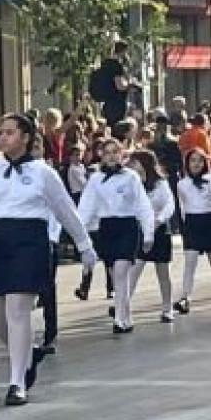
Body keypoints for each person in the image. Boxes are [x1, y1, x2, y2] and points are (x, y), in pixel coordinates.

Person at [0, 113, 96, 406]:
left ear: (25, 137)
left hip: (28, 240)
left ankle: (16, 381)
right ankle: (28, 353)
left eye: (10, 132)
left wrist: (84, 245)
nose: (3, 137)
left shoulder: (43, 173)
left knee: (17, 311)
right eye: (2, 132)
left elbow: (64, 209)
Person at [77, 138, 155, 333]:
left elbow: (143, 205)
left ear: (121, 154)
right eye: (107, 152)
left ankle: (119, 318)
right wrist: (79, 231)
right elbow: (87, 205)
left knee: (121, 271)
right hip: (107, 228)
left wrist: (148, 233)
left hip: (127, 226)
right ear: (102, 156)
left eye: (115, 152)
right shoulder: (95, 179)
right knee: (115, 276)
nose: (111, 156)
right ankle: (126, 315)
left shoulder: (131, 177)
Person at [128, 149, 177, 323]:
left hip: (160, 231)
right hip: (140, 231)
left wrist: (158, 220)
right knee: (134, 270)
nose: (131, 166)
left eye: (135, 162)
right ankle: (123, 307)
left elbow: (169, 204)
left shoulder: (160, 183)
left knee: (163, 272)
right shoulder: (131, 183)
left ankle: (167, 308)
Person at [174, 148, 211, 312]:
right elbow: (182, 205)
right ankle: (185, 297)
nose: (196, 164)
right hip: (191, 222)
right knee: (190, 262)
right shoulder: (182, 184)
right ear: (187, 164)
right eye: (192, 160)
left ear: (205, 163)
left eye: (199, 160)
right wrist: (184, 223)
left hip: (208, 221)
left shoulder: (210, 180)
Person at [89, 41, 132, 129]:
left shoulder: (105, 63)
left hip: (107, 104)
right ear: (123, 51)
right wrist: (130, 85)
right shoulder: (116, 65)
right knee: (116, 127)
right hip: (116, 104)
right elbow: (120, 86)